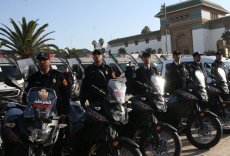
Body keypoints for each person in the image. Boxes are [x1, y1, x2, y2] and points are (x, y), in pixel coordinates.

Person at [25, 52, 71, 156]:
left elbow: (66, 95)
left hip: (54, 115)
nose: (42, 62)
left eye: (45, 60)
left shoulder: (58, 75)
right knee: (35, 142)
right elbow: (26, 96)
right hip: (36, 115)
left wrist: (64, 112)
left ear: (49, 61)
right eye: (40, 60)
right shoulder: (32, 78)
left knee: (56, 142)